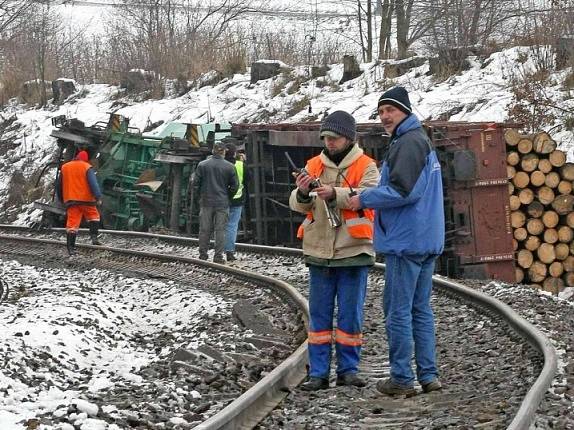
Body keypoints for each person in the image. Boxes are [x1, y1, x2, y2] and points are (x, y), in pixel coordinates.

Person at [349, 86, 445, 396]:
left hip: (406, 242)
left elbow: (402, 191)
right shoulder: (420, 142)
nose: (385, 116)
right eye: (380, 111)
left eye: (390, 110)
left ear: (404, 110)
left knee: (398, 311)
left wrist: (361, 198)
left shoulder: (408, 143)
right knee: (420, 310)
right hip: (425, 237)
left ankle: (402, 377)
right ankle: (429, 375)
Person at [289, 110, 379, 391]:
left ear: (348, 138)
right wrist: (303, 193)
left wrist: (336, 194)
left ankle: (347, 371)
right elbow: (298, 205)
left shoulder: (366, 165)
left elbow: (369, 196)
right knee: (319, 315)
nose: (329, 142)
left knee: (350, 314)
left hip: (354, 250)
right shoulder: (313, 165)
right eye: (326, 137)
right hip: (319, 251)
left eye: (334, 138)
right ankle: (318, 373)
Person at [193, 141, 239, 263]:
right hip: (222, 203)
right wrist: (228, 197)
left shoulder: (202, 165)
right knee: (220, 230)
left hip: (206, 202)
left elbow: (195, 184)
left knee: (204, 229)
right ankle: (218, 256)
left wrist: (200, 197)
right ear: (224, 151)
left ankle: (203, 255)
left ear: (213, 150)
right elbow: (235, 186)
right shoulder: (230, 167)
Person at [57, 150, 103, 256]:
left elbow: (59, 186)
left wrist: (61, 199)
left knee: (72, 225)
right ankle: (94, 238)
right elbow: (93, 183)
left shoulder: (65, 167)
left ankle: (71, 249)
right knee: (94, 217)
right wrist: (98, 197)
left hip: (72, 201)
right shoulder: (86, 167)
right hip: (87, 201)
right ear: (85, 159)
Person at [223, 143, 249, 261]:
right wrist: (243, 161)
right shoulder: (241, 165)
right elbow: (249, 179)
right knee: (232, 226)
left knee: (219, 226)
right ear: (234, 153)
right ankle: (229, 252)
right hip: (237, 200)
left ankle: (216, 252)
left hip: (221, 199)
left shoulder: (220, 164)